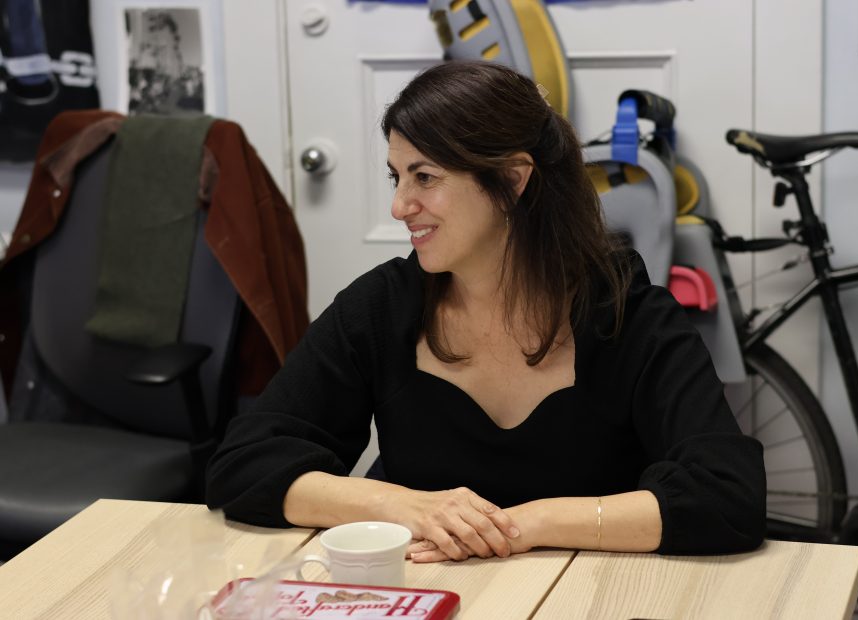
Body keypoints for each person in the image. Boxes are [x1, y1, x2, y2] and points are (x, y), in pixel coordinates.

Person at [205, 61, 766, 561]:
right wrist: (406, 507)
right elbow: (243, 465)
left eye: (426, 177)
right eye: (396, 177)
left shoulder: (626, 312)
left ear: (513, 180)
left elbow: (726, 496)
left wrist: (530, 523)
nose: (400, 206)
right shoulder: (381, 308)